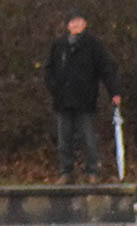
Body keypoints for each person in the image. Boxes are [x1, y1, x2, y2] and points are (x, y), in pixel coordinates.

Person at [45, 9, 122, 184]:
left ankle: (92, 171)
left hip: (85, 100)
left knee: (88, 138)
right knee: (64, 140)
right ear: (67, 25)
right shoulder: (59, 45)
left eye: (79, 21)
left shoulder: (93, 45)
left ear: (85, 24)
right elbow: (48, 70)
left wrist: (114, 91)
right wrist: (54, 88)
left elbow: (107, 69)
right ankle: (66, 172)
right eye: (72, 22)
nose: (75, 25)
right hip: (63, 101)